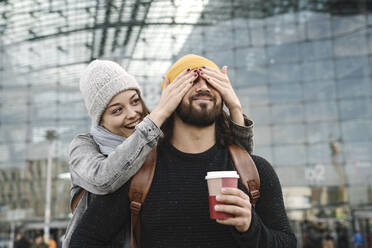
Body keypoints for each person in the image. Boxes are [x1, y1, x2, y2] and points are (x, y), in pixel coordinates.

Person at [69, 54, 291, 248]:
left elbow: (287, 242)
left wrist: (252, 227)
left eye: (212, 81)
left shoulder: (254, 170)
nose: (203, 86)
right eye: (191, 79)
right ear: (170, 95)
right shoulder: (137, 170)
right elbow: (84, 241)